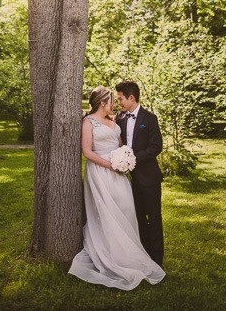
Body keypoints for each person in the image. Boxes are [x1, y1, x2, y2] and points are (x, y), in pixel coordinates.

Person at [68, 86, 165, 290]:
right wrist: (111, 164)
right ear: (103, 102)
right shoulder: (93, 121)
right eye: (113, 100)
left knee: (131, 213)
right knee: (107, 213)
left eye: (119, 99)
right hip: (102, 172)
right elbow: (87, 151)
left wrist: (126, 161)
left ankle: (146, 255)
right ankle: (113, 254)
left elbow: (126, 147)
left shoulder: (123, 120)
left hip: (125, 174)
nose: (117, 103)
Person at [115, 81, 164, 266]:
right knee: (138, 218)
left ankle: (157, 259)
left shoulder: (150, 118)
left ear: (131, 97)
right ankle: (144, 254)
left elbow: (156, 146)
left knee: (154, 218)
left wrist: (132, 158)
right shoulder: (120, 118)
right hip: (130, 180)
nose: (119, 102)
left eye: (120, 98)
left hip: (150, 178)